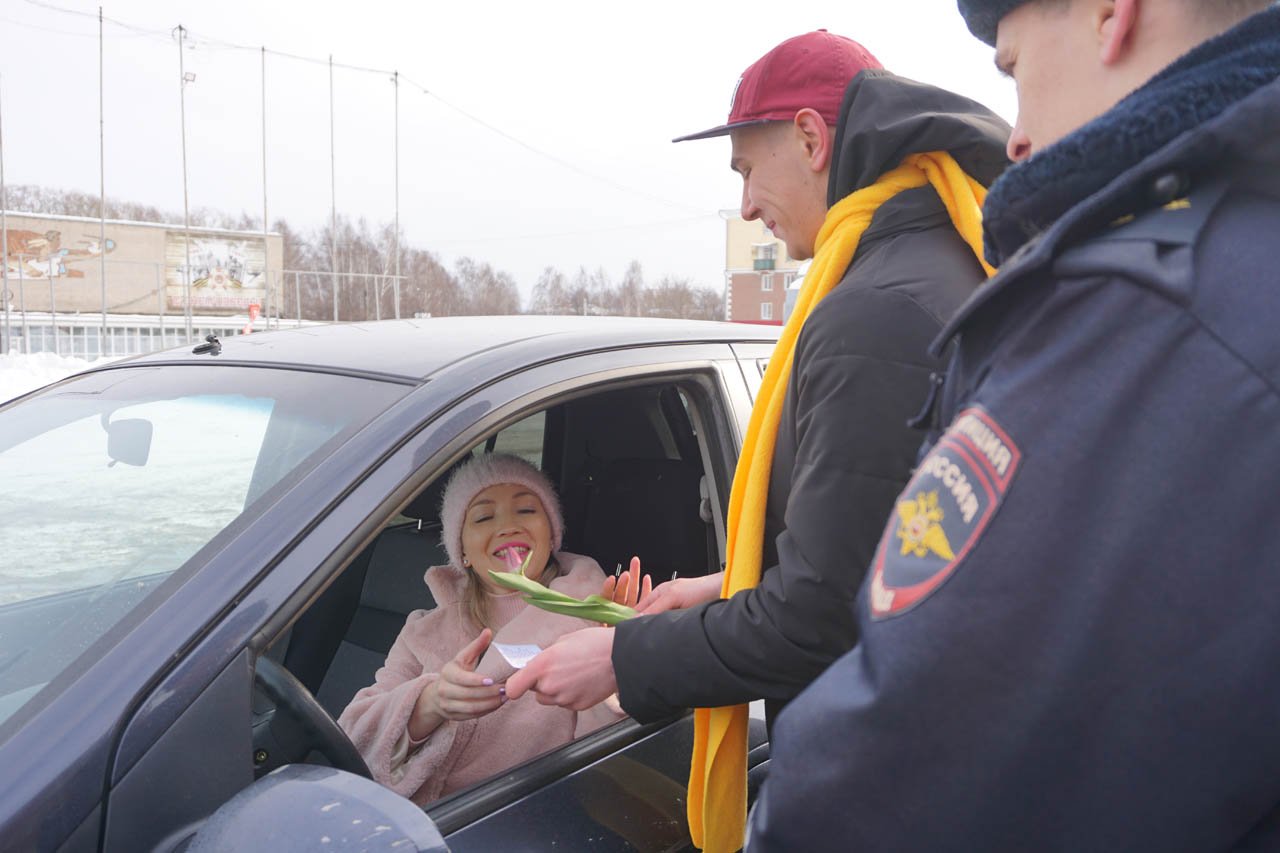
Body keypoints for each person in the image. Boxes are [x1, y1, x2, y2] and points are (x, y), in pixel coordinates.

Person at [747, 1, 1280, 850]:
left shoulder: (1142, 312)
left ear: (1113, 13)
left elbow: (917, 758)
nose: (1016, 137)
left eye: (1013, 70)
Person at [506, 30, 1010, 851]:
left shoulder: (872, 311)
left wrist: (624, 659)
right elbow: (890, 550)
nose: (745, 205)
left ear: (812, 139)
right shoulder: (936, 264)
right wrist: (722, 582)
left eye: (746, 169)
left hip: (882, 783)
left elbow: (819, 617)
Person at [337, 452, 624, 806]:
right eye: (484, 516)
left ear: (552, 534)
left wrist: (620, 659)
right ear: (463, 551)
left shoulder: (593, 611)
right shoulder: (423, 632)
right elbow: (355, 741)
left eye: (527, 510)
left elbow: (604, 761)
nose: (507, 527)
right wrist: (432, 701)